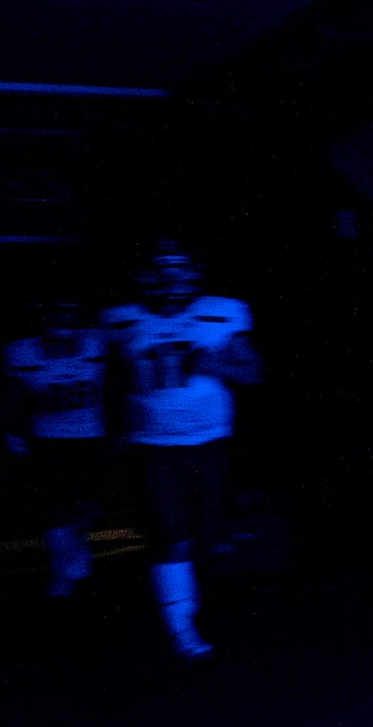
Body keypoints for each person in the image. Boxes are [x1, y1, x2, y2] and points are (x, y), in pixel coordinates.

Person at [101, 242, 257, 656]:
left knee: (203, 533)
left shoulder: (222, 312)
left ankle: (192, 605)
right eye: (162, 271)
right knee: (170, 533)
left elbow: (253, 371)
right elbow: (110, 381)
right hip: (154, 446)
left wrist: (216, 365)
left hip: (209, 442)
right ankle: (180, 626)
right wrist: (118, 429)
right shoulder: (121, 321)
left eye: (179, 270)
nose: (172, 281)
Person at [2, 290, 108, 598]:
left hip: (91, 437)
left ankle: (76, 547)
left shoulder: (96, 343)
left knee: (88, 505)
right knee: (54, 506)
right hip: (47, 439)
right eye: (57, 311)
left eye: (70, 311)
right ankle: (61, 569)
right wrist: (9, 433)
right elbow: (12, 394)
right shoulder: (22, 352)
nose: (64, 318)